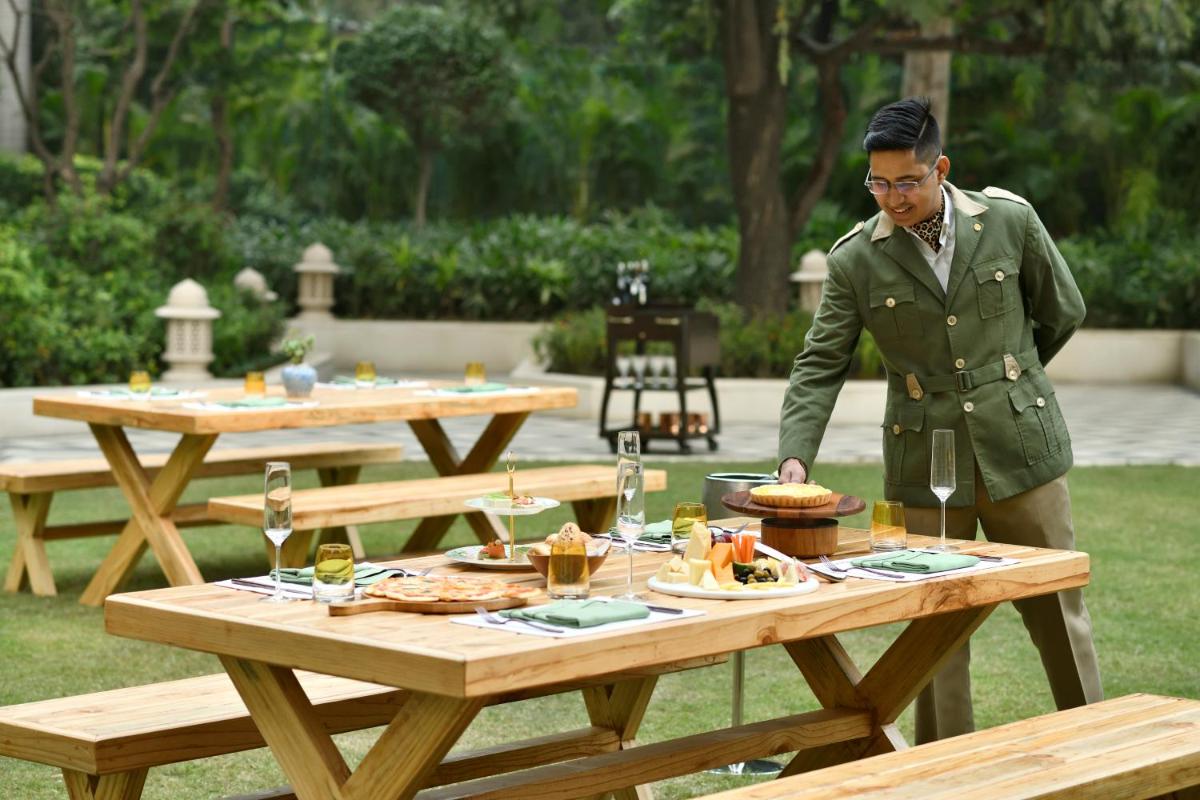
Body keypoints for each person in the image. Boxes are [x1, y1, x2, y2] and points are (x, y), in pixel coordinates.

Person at [777, 96, 1102, 743]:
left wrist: (1012, 379)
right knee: (934, 630)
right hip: (925, 466)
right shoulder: (855, 260)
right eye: (878, 183)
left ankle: (1097, 742)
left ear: (941, 168)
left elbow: (1063, 309)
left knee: (1058, 613)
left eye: (907, 181)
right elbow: (819, 364)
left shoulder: (1010, 221)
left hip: (1022, 453)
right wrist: (795, 457)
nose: (892, 198)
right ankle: (942, 771)